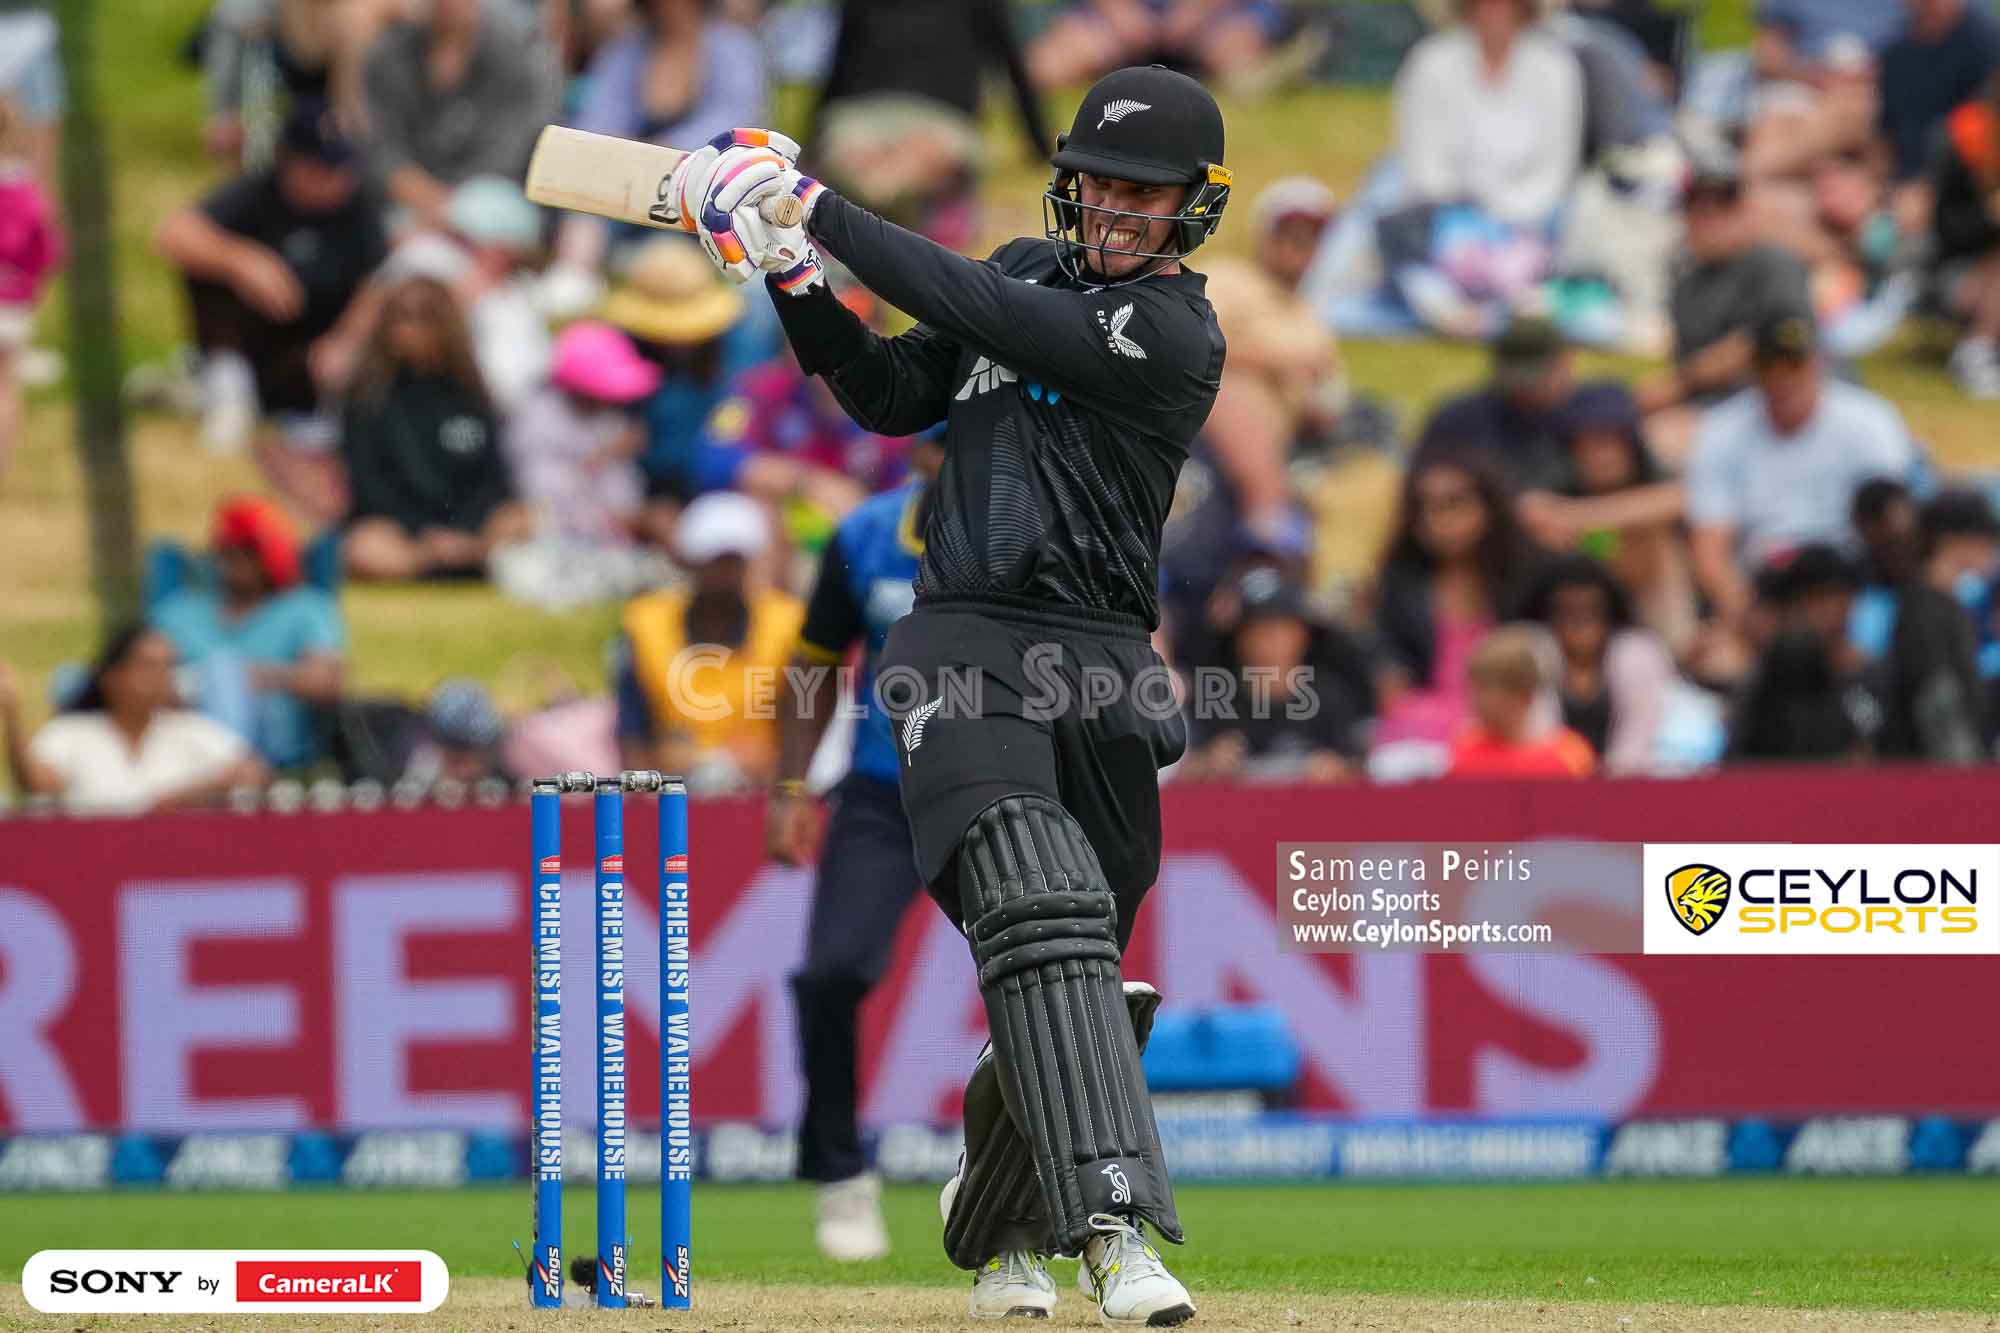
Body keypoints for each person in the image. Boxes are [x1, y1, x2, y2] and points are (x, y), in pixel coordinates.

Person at [657, 65, 1234, 1323]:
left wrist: (811, 204)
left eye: (1142, 194)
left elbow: (974, 303)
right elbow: (887, 394)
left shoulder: (1174, 333)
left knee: (1070, 959)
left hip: (1097, 659)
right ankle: (1114, 1229)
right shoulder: (1025, 268)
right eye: (1096, 184)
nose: (1112, 210)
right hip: (960, 641)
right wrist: (791, 272)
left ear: (1192, 206)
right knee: (1042, 899)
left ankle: (995, 1218)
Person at [766, 432, 945, 1262]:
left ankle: (1031, 1180)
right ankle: (840, 1175)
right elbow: (812, 662)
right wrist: (791, 786)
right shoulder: (868, 535)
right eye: (945, 447)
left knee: (1031, 979)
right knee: (831, 972)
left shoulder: (1031, 526)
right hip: (883, 789)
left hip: (1005, 787)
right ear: (921, 456)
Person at [155, 100, 386, 455]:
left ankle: (320, 412)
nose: (335, 181)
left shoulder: (359, 208)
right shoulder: (257, 193)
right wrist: (242, 261)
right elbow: (173, 234)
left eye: (341, 169)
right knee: (207, 269)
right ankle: (228, 389)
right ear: (292, 164)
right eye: (321, 169)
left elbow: (379, 281)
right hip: (251, 338)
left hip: (316, 350)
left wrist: (347, 340)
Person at [1685, 311, 1918, 644]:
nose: (1782, 378)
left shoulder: (1871, 421)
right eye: (1770, 366)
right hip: (1763, 584)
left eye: (1793, 365)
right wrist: (1751, 618)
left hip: (1849, 580)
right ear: (1753, 370)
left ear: (1817, 364)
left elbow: (1891, 528)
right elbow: (1710, 551)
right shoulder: (1720, 430)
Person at [543, 0, 766, 302]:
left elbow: (729, 133)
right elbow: (595, 126)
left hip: (709, 205)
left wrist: (650, 152)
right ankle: (571, 285)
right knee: (587, 193)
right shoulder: (625, 50)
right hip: (630, 195)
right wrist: (623, 157)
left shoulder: (734, 50)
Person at [1388, 0, 1583, 332]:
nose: (1495, 10)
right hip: (1444, 216)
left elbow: (1556, 169)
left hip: (1531, 220)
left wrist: (1505, 216)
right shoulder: (1430, 62)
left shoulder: (1555, 67)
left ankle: (1511, 300)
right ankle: (1447, 306)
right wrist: (1464, 214)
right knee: (1388, 213)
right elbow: (1422, 162)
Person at [812, 0, 1048, 249]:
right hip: (868, 113)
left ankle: (877, 203)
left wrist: (1041, 146)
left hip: (930, 117)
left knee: (903, 157)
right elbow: (841, 58)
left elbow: (1011, 62)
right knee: (876, 158)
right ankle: (891, 204)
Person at [339, 274, 531, 578]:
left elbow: (494, 481)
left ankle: (467, 558)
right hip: (405, 534)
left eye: (421, 319)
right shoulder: (367, 397)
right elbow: (368, 485)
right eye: (400, 318)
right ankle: (443, 564)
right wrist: (425, 534)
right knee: (363, 546)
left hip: (471, 532)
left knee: (521, 519)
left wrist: (465, 531)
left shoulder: (472, 394)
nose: (406, 331)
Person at [1633, 141, 1813, 462]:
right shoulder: (1686, 281)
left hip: (1787, 406)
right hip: (1722, 409)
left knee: (1664, 439)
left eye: (1723, 202)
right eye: (1696, 204)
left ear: (1746, 208)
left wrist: (1681, 382)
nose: (1709, 216)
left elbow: (1785, 336)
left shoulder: (1772, 261)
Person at [616, 490, 802, 791]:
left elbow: (799, 724)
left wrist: (785, 788)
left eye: (732, 560)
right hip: (670, 790)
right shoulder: (646, 622)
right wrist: (642, 796)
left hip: (759, 788)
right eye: (714, 560)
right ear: (690, 561)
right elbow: (632, 727)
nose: (723, 572)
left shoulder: (786, 623)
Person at [1368, 452, 1542, 768]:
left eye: (1454, 504)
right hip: (1424, 728)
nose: (1442, 520)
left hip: (1509, 719)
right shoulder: (1400, 586)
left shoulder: (1522, 577)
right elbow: (1390, 676)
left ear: (1487, 508)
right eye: (1427, 508)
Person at [151, 495, 346, 771]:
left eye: (248, 551)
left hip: (272, 731)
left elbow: (325, 682)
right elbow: (137, 672)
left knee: (222, 672)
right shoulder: (179, 611)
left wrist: (245, 676)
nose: (234, 560)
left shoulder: (305, 607)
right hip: (182, 722)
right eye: (226, 549)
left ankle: (229, 771)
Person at [1198, 177, 1343, 543]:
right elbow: (1191, 342)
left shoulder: (1313, 321)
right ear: (1265, 234)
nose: (1299, 243)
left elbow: (1328, 404)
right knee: (1234, 393)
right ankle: (1268, 521)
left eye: (1311, 236)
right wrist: (1279, 363)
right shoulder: (1227, 279)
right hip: (1205, 409)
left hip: (1282, 436)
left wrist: (1314, 404)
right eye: (1288, 232)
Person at [0, 626, 267, 813]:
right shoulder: (73, 732)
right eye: (148, 666)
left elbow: (253, 773)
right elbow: (37, 783)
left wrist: (179, 797)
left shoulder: (190, 730)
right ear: (112, 676)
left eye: (168, 666)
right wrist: (12, 715)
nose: (161, 678)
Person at [358, 0, 560, 230]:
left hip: (492, 198)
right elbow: (382, 152)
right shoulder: (390, 53)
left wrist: (452, 209)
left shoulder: (518, 45)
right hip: (410, 204)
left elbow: (512, 150)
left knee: (494, 211)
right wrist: (429, 200)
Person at [1177, 565, 1372, 782]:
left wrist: (1334, 769)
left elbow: (1362, 771)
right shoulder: (1214, 697)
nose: (1269, 640)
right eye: (1256, 629)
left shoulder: (1329, 696)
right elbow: (1177, 772)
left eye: (1280, 628)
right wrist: (1209, 762)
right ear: (1238, 638)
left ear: (1302, 635)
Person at [503, 319, 658, 546]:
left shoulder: (613, 421)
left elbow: (624, 494)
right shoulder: (537, 420)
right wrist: (599, 459)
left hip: (614, 545)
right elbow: (540, 496)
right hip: (556, 543)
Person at [1516, 553, 1674, 773]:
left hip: (1626, 782)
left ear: (1609, 615)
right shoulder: (1533, 656)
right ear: (1549, 616)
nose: (1580, 623)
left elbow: (1641, 737)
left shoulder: (1635, 657)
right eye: (1568, 612)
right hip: (1550, 781)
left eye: (1591, 611)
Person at [1873, 490, 1994, 761]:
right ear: (1949, 540)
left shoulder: (1948, 604)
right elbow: (1936, 698)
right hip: (1932, 769)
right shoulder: (1923, 608)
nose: (1991, 551)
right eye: (1985, 540)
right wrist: (1964, 773)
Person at [1727, 544, 1877, 762]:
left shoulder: (1875, 679)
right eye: (1800, 600)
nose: (1824, 610)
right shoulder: (1766, 686)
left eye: (1824, 596)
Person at [1412, 314, 1579, 495]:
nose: (1522, 391)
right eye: (1515, 381)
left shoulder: (1584, 417)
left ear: (1564, 364)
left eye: (1533, 382)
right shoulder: (1461, 421)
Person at [0, 92, 61, 485]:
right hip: (12, 302)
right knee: (6, 386)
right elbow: (46, 249)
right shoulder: (25, 191)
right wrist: (34, 290)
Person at [1027, 1, 1289, 92]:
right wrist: (1119, 12)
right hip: (1119, 21)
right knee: (1050, 68)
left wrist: (1196, 11)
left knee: (1239, 59)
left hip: (1218, 17)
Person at [1878, 0, 2000, 195]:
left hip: (1963, 187)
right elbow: (1887, 133)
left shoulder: (1985, 44)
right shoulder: (1895, 53)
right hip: (1903, 182)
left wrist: (1929, 187)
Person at [1930, 70, 2000, 398]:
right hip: (1959, 276)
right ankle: (1976, 351)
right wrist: (1989, 216)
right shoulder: (1964, 138)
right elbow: (1945, 232)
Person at [1445, 625, 1596, 777]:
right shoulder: (1463, 748)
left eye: (1484, 689)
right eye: (1473, 688)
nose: (1475, 701)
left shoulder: (1570, 757)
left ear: (1525, 696)